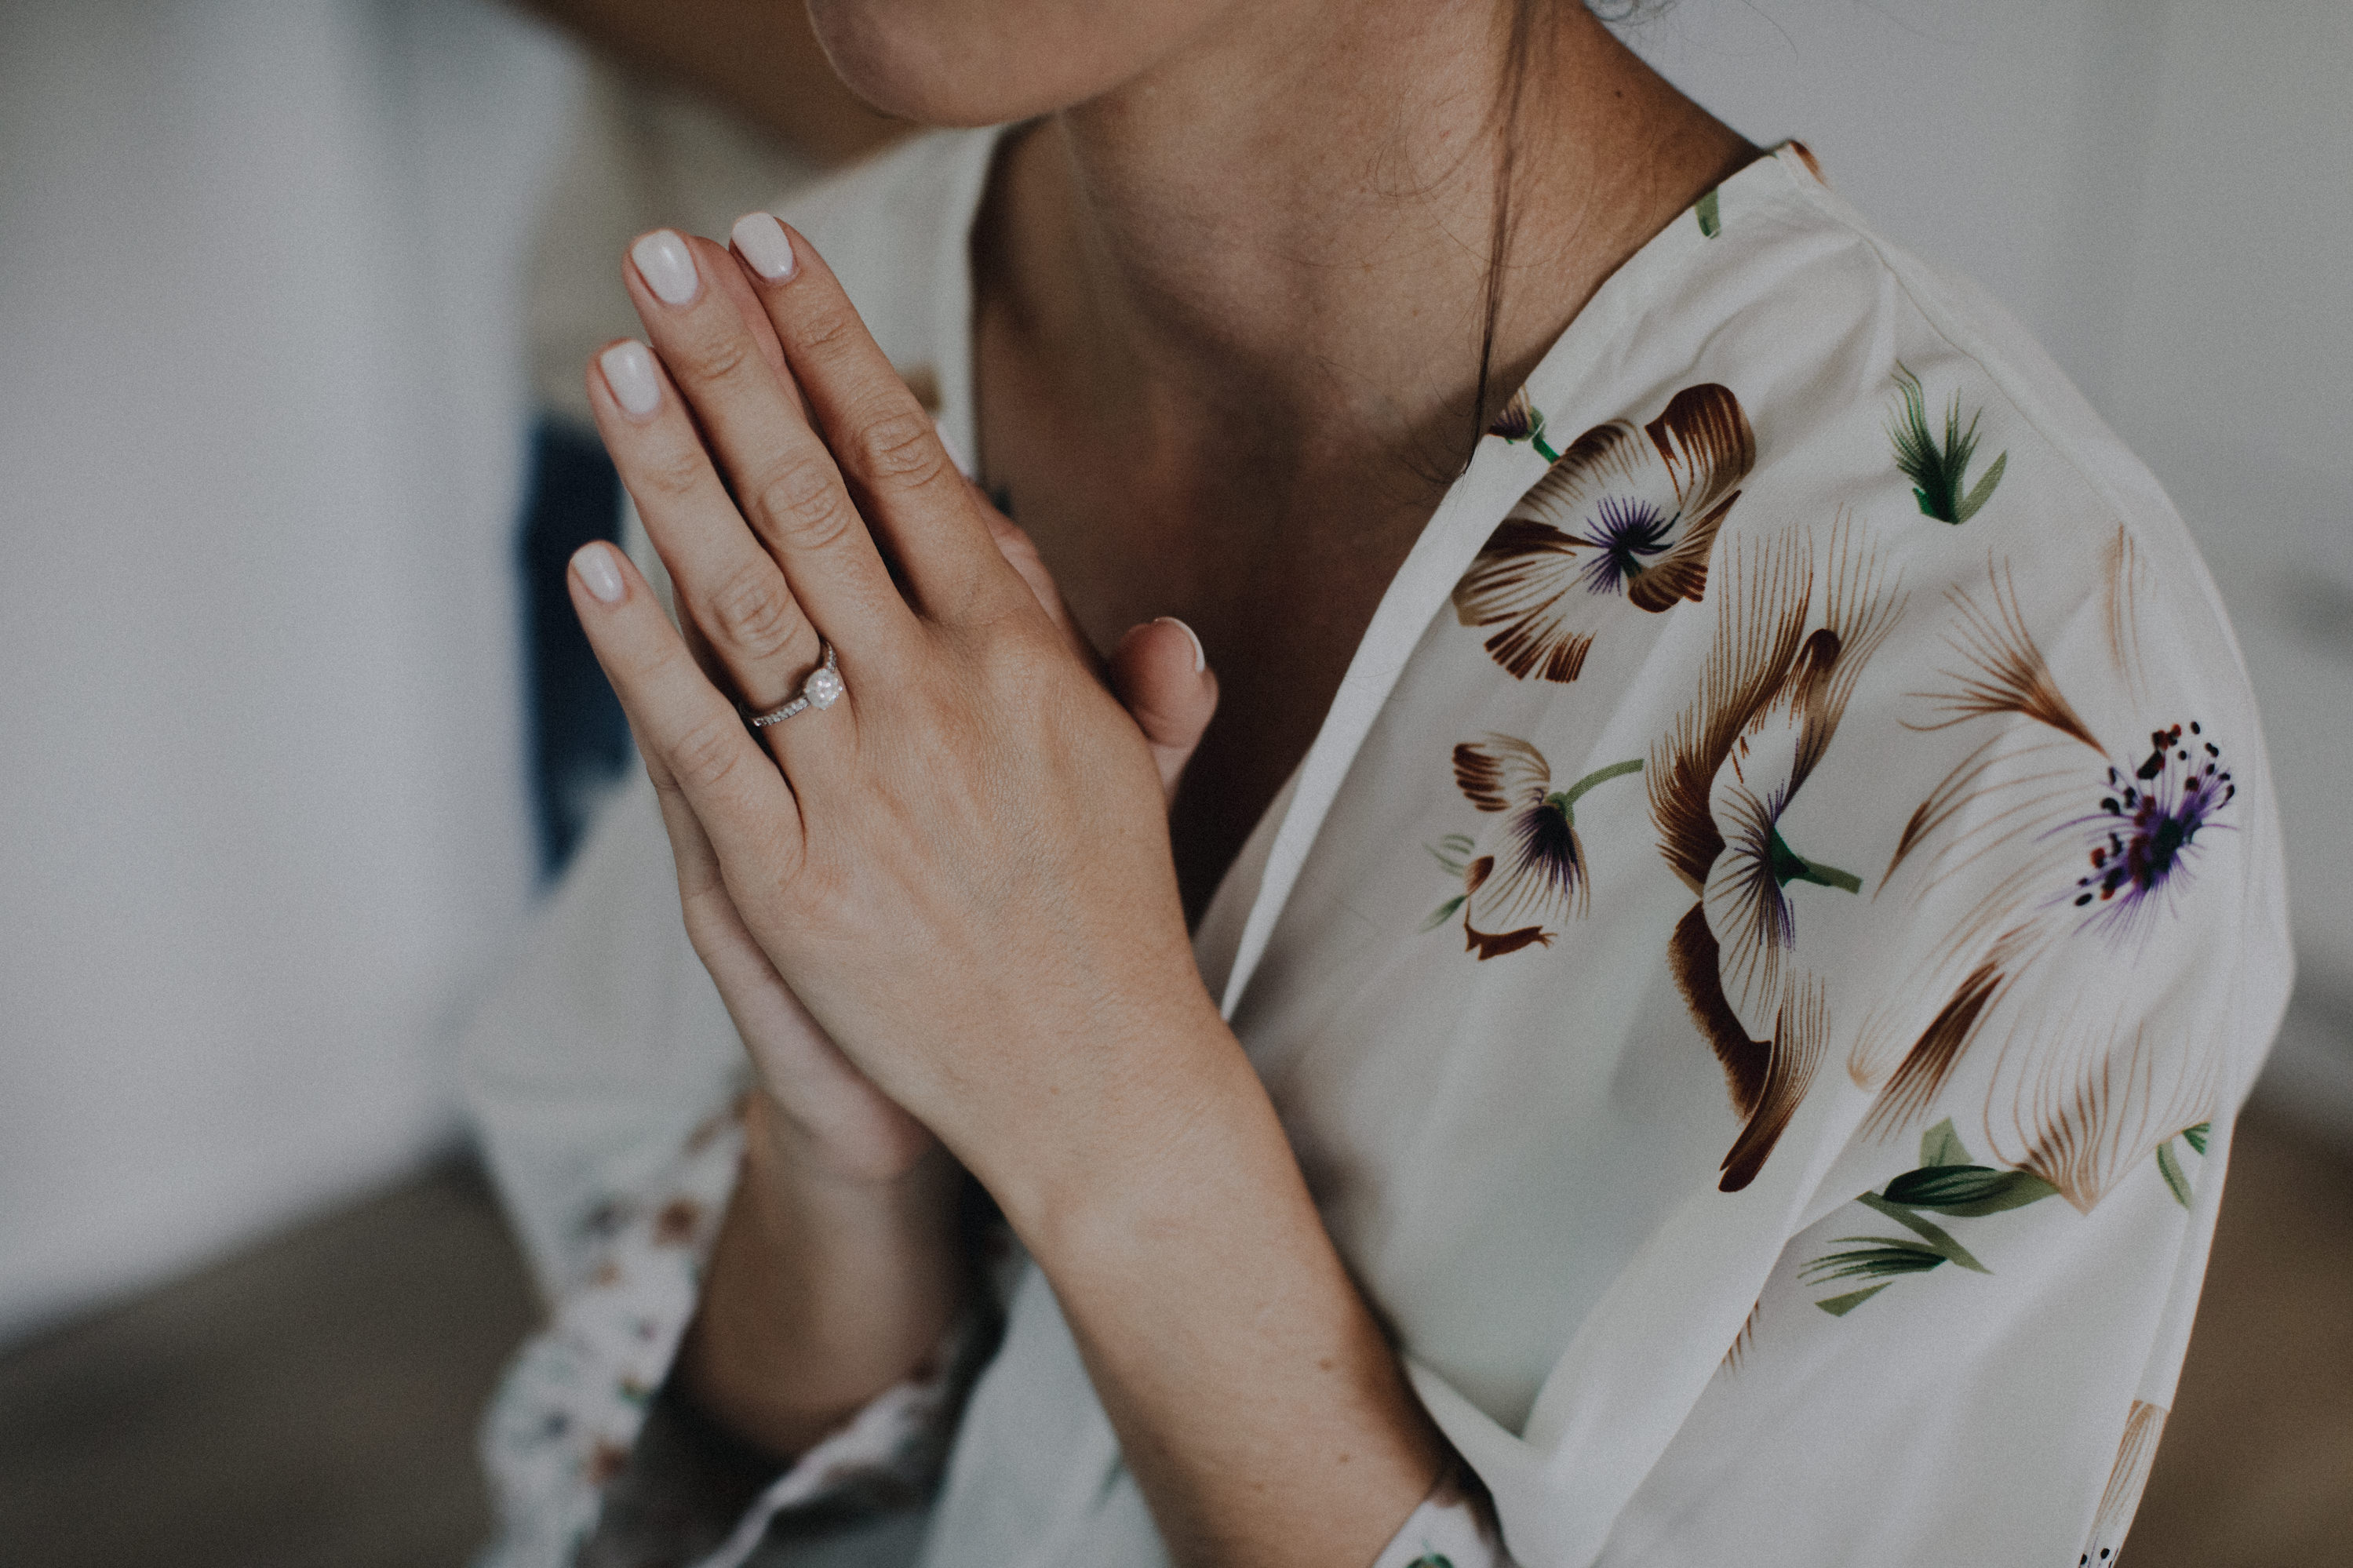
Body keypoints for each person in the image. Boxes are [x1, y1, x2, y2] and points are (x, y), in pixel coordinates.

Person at [462, 2, 2291, 1564]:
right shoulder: (811, 364)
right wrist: (842, 1161)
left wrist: (1103, 1111)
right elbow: (635, 1483)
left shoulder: (2041, 758)